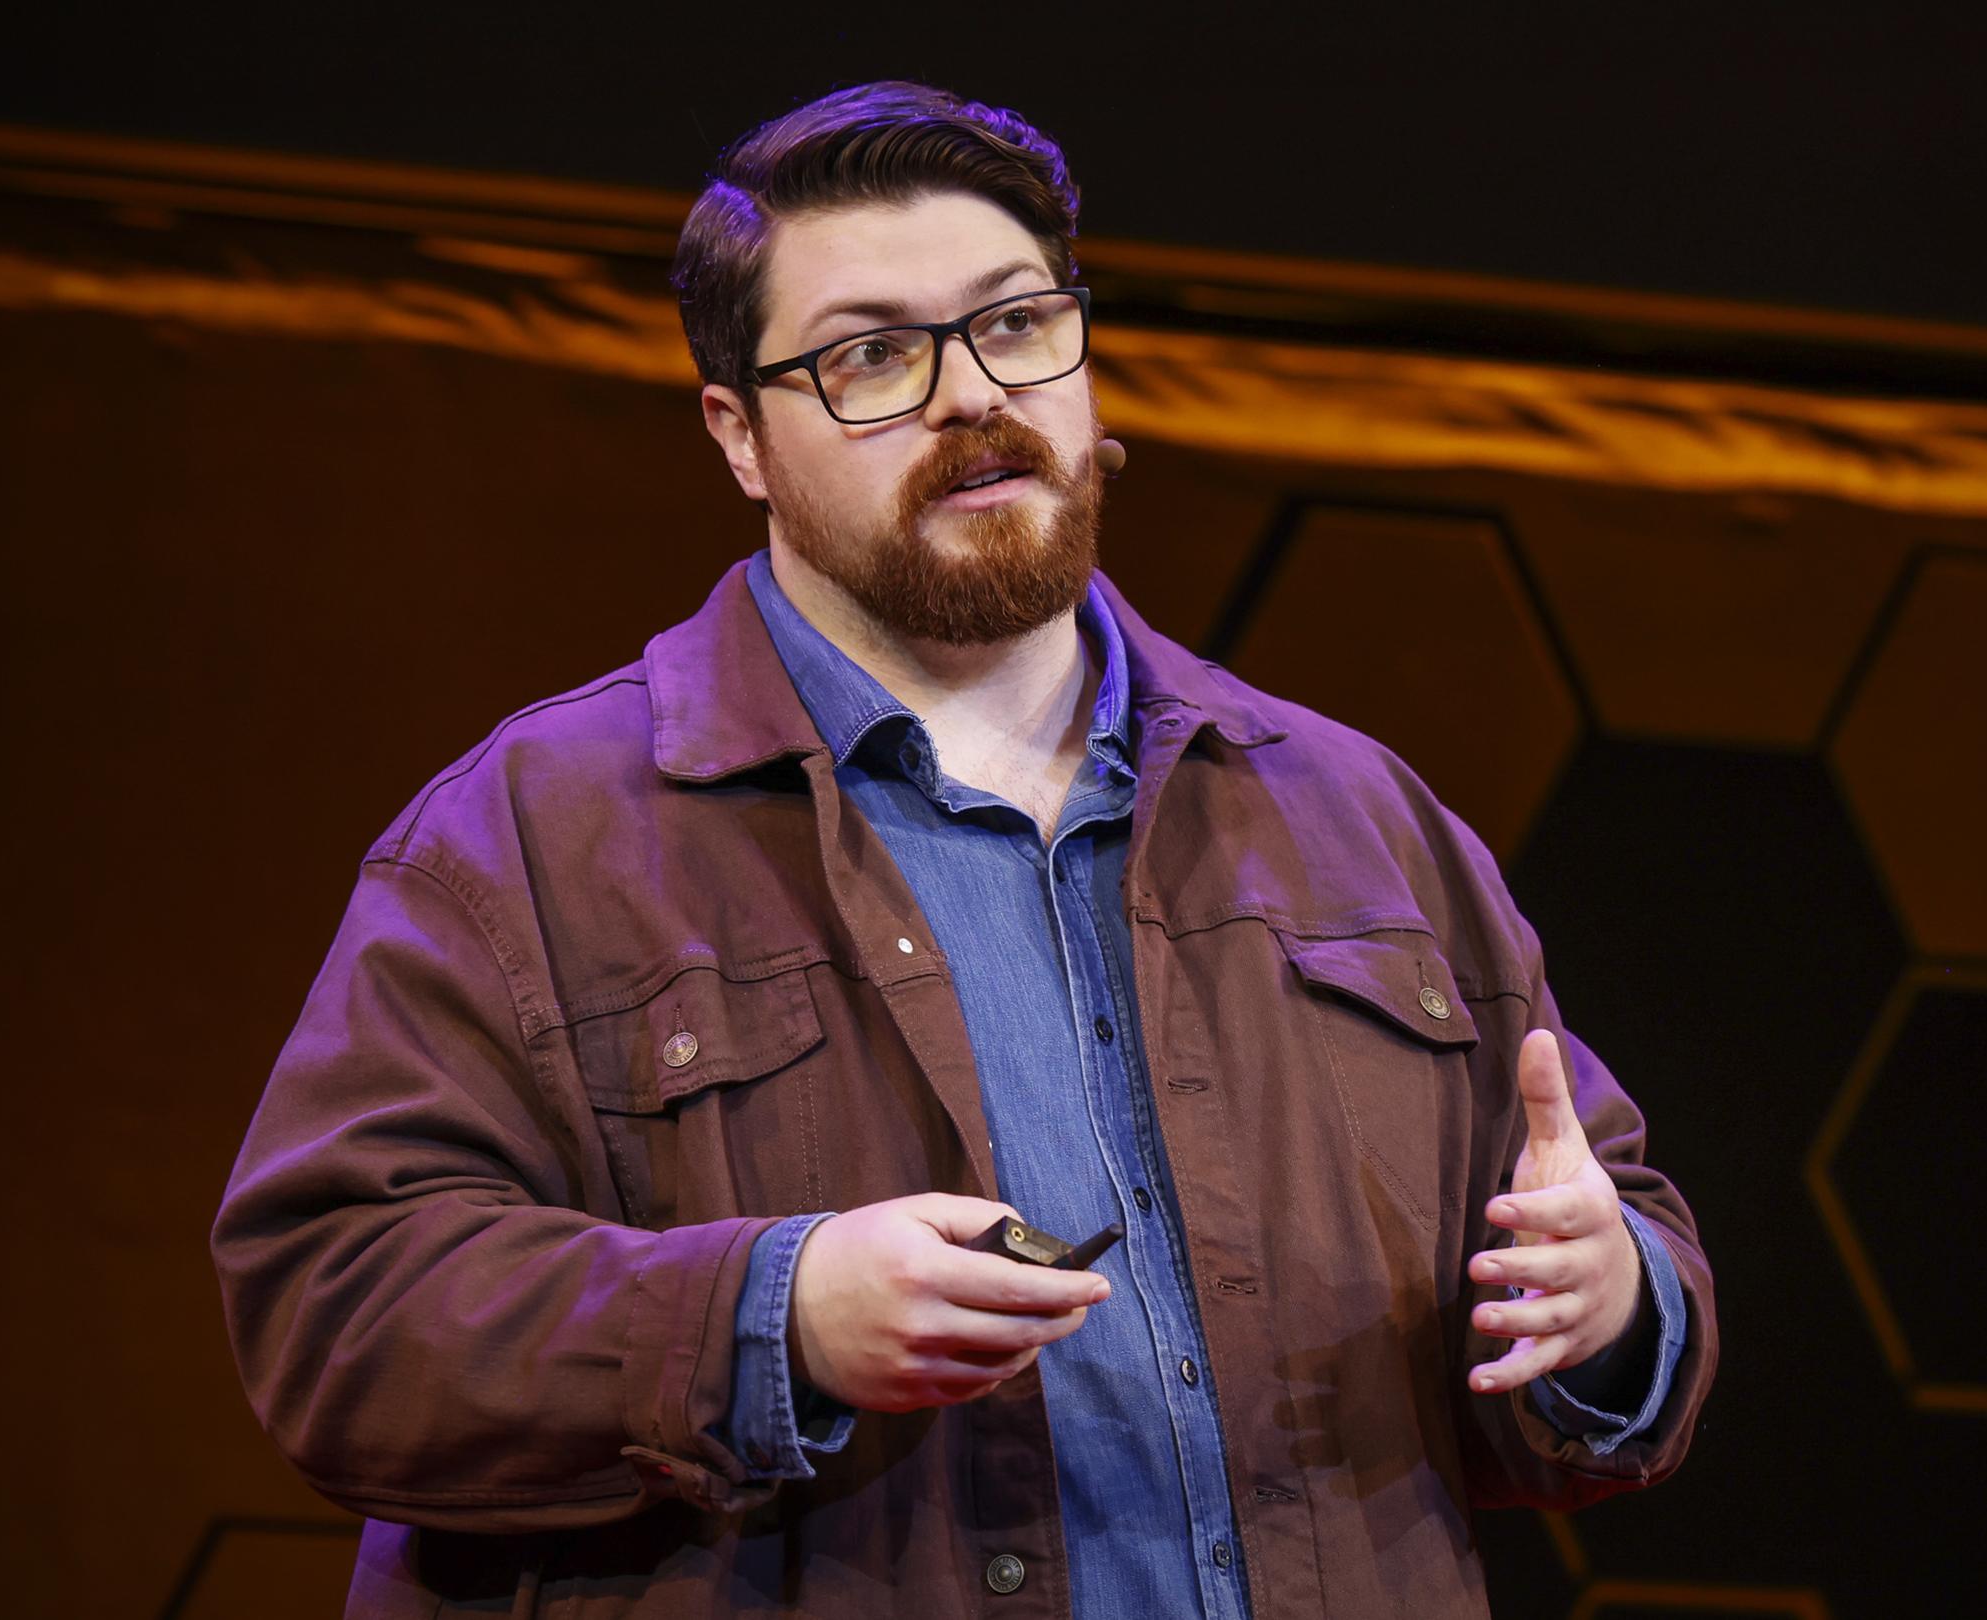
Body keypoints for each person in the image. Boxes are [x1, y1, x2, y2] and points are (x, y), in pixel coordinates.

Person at [213, 81, 1715, 1619]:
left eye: (1015, 323)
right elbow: (333, 1317)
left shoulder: (1351, 812)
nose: (971, 394)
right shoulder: (535, 837)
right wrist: (775, 1318)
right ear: (740, 438)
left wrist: (1611, 1303)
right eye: (872, 355)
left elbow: (1606, 1251)